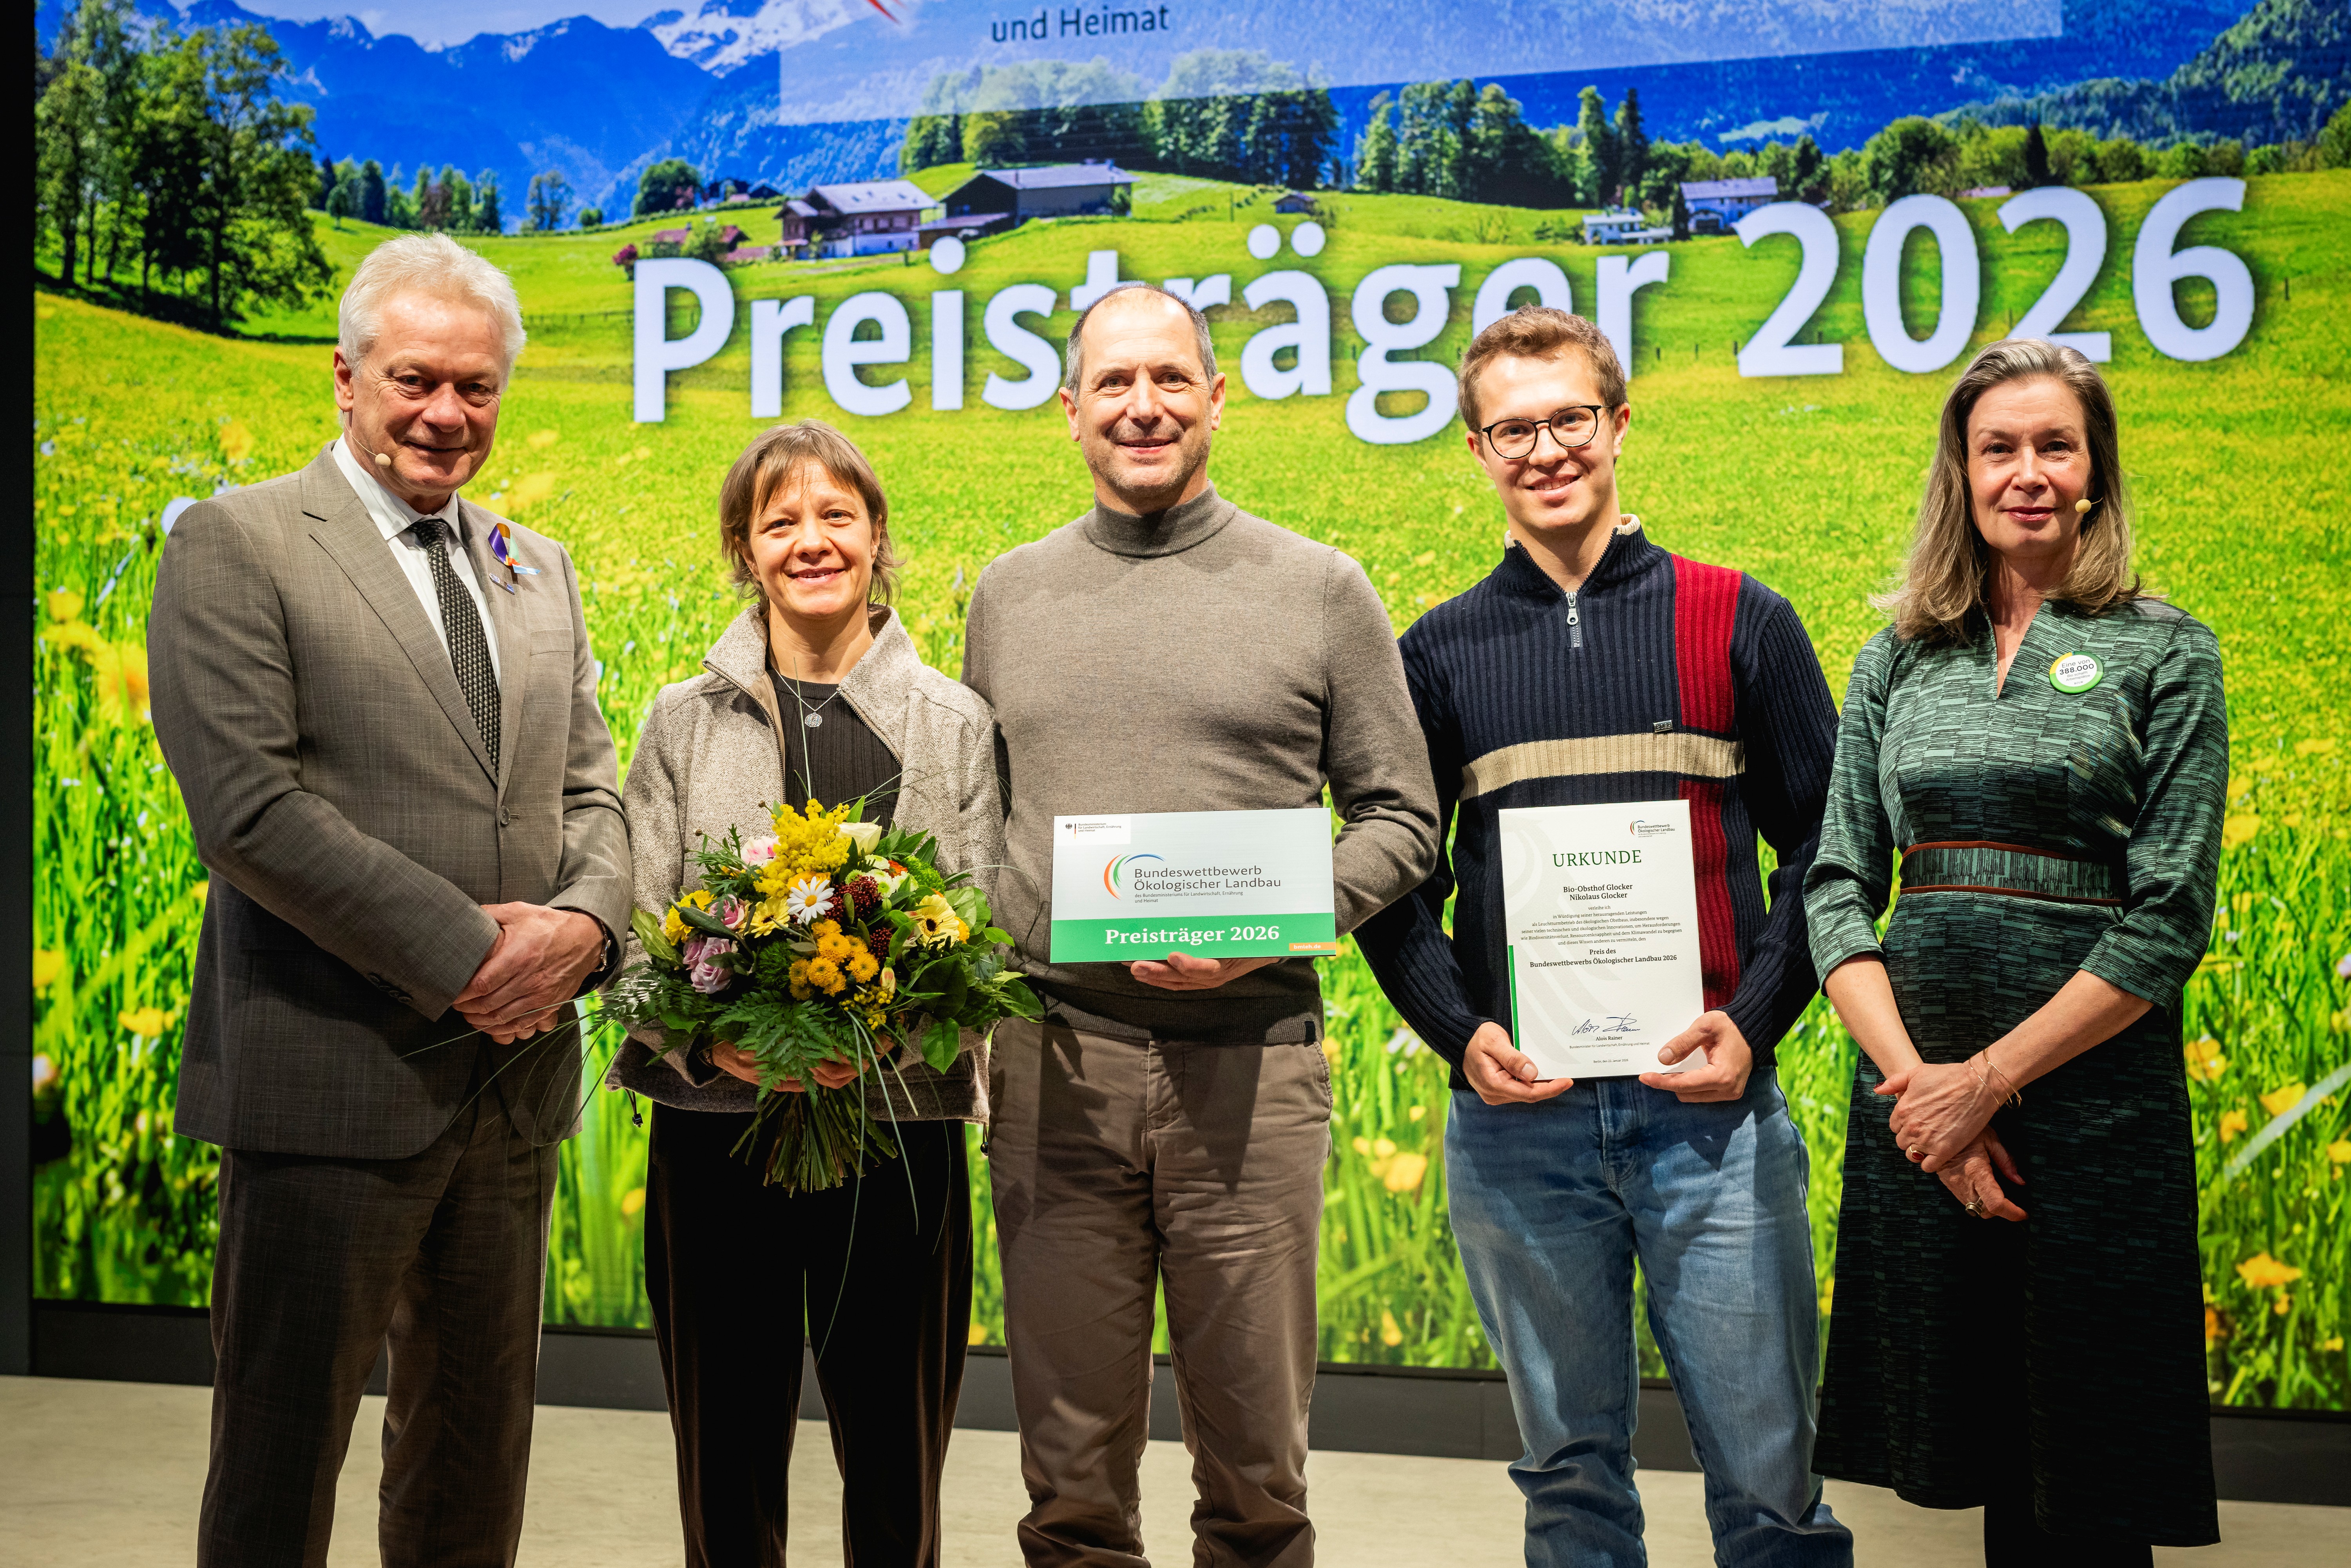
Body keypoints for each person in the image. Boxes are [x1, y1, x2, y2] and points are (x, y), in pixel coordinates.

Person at [148, 232, 630, 1568]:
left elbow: (592, 791)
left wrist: (588, 930)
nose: (445, 413)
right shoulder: (238, 542)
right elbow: (248, 810)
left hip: (511, 1089)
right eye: (416, 379)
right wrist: (475, 958)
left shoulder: (536, 564)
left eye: (477, 387)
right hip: (329, 1081)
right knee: (279, 1463)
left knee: (473, 1462)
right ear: (346, 376)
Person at [1354, 306, 1853, 1568]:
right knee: (1569, 1485)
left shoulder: (1742, 618)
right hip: (1522, 1128)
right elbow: (1395, 876)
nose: (1546, 450)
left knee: (1772, 1486)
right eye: (1512, 428)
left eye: (1570, 418)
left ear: (1620, 423)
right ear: (1477, 450)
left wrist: (1754, 1024)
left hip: (1714, 1122)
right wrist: (1460, 1033)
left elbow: (1828, 851)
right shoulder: (1438, 652)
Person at [961, 282, 1440, 1565]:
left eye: (1171, 378)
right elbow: (976, 821)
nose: (1144, 406)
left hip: (1254, 1066)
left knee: (1257, 1473)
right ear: (1069, 410)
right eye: (1114, 383)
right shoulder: (1008, 595)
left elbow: (1402, 817)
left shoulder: (1321, 588)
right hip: (1056, 1067)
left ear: (1218, 399)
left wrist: (1275, 922)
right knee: (1069, 1476)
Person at [1804, 339, 2225, 1563]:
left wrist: (1987, 1081)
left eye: (2056, 446)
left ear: (2096, 471)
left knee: (2090, 1472)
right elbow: (1837, 888)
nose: (2027, 472)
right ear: (1962, 470)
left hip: (2092, 1107)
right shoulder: (1897, 655)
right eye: (1999, 447)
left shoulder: (2165, 649)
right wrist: (1926, 1098)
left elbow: (2169, 915)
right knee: (1985, 1447)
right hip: (1918, 1108)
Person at [606, 420, 1002, 1567]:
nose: (811, 541)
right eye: (780, 521)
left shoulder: (955, 723)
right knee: (725, 1456)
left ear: (878, 537)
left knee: (895, 1460)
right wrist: (708, 1048)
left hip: (900, 1129)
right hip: (715, 1136)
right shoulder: (682, 721)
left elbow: (986, 932)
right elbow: (634, 930)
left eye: (837, 515)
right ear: (746, 549)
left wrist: (891, 1043)